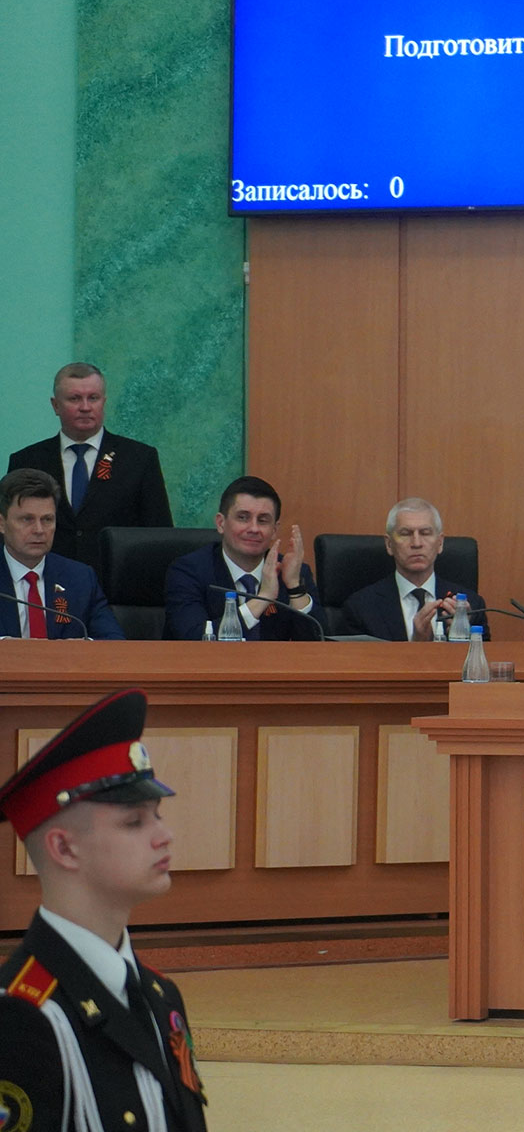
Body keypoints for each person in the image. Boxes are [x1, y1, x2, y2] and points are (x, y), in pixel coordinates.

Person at [0, 689, 210, 1132]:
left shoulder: (160, 995)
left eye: (157, 814)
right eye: (134, 822)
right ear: (64, 848)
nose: (164, 835)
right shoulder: (22, 1016)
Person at [7, 363, 173, 569]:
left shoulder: (139, 458)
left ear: (104, 402)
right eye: (74, 398)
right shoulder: (27, 460)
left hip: (116, 582)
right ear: (56, 405)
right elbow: (9, 532)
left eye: (93, 398)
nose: (85, 407)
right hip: (48, 580)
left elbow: (160, 535)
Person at [162, 476, 321, 641]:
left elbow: (323, 644)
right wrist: (263, 598)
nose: (254, 528)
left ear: (274, 530)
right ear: (221, 523)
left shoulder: (293, 573)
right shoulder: (188, 571)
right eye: (243, 517)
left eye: (263, 520)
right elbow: (193, 638)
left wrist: (294, 588)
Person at [338, 498, 487, 641]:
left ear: (440, 543)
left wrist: (463, 633)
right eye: (406, 534)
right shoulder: (361, 608)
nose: (416, 543)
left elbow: (483, 657)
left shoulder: (472, 606)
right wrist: (416, 644)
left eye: (425, 533)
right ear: (389, 544)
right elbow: (353, 659)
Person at [0, 468, 124, 640]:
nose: (39, 530)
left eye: (47, 519)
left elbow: (114, 641)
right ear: (2, 523)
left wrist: (81, 648)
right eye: (27, 519)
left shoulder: (80, 578)